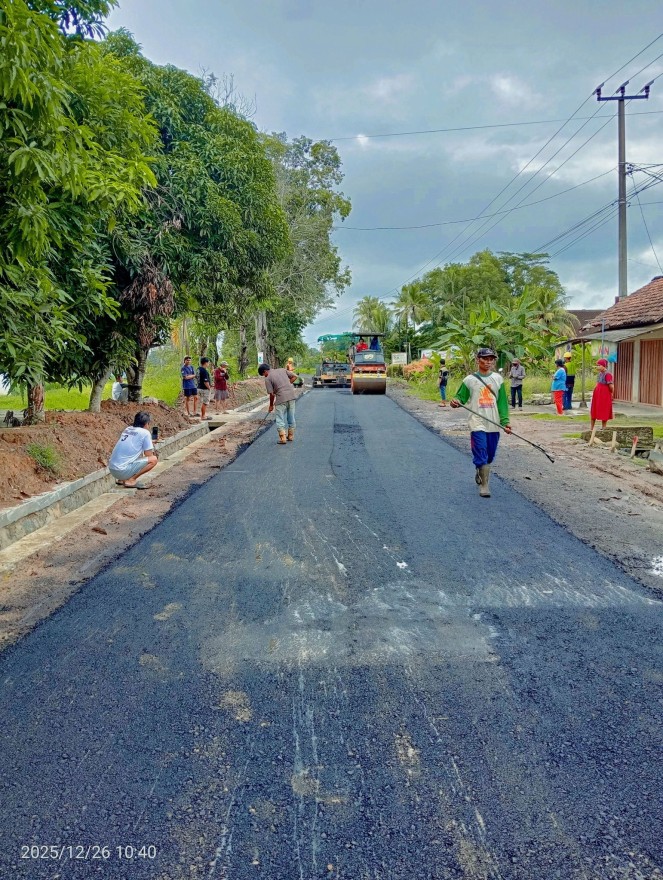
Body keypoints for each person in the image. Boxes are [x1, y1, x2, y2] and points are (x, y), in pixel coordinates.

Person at [449, 348, 511, 498]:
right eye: (485, 358)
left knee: (489, 455)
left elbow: (502, 402)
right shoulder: (469, 380)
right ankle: (484, 485)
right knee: (481, 449)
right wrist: (455, 402)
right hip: (476, 421)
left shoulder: (498, 379)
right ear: (478, 360)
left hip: (493, 422)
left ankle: (480, 469)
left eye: (491, 359)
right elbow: (460, 398)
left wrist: (505, 421)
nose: (488, 362)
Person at [108, 411, 158, 489]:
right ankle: (131, 480)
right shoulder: (145, 433)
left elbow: (132, 443)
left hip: (112, 469)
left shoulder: (128, 429)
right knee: (153, 459)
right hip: (122, 471)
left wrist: (149, 442)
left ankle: (122, 479)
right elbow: (148, 455)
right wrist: (150, 445)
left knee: (130, 456)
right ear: (146, 424)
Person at [258, 362, 298, 444]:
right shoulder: (282, 370)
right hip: (291, 396)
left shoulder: (268, 378)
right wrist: (288, 384)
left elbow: (272, 394)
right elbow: (295, 376)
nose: (264, 376)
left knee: (280, 418)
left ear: (265, 371)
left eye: (263, 375)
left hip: (281, 398)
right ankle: (290, 436)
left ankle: (283, 438)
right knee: (291, 416)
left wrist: (271, 405)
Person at [590, 358, 614, 430]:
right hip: (597, 394)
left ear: (603, 366)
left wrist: (611, 393)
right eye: (597, 365)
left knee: (604, 409)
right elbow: (598, 383)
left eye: (599, 365)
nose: (597, 367)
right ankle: (591, 428)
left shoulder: (608, 374)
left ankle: (604, 427)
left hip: (604, 394)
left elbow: (611, 386)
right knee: (594, 409)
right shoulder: (600, 374)